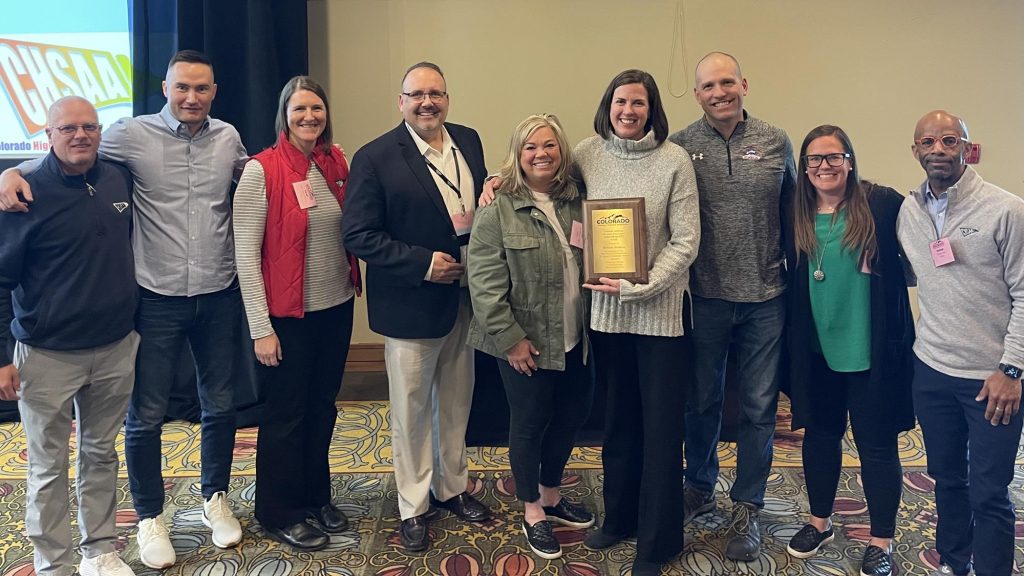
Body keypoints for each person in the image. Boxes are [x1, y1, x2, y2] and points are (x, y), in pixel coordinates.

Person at [0, 49, 248, 569]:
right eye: (182, 87)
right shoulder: (129, 135)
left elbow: (254, 182)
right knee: (145, 417)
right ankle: (149, 517)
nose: (191, 97)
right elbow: (62, 157)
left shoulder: (228, 139)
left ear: (214, 92)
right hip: (153, 300)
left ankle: (213, 498)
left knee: (219, 405)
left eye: (202, 88)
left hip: (215, 293)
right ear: (165, 88)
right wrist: (8, 174)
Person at [341, 61, 491, 553]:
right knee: (410, 409)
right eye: (417, 94)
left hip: (465, 300)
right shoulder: (375, 156)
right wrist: (425, 264)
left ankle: (451, 488)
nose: (428, 102)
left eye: (436, 93)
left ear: (447, 98)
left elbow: (473, 213)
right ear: (400, 101)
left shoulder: (468, 140)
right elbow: (359, 235)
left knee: (456, 401)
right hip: (410, 304)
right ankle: (413, 504)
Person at [0, 97, 138, 576]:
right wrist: (2, 357)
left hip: (117, 346)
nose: (80, 135)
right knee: (46, 468)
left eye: (90, 127)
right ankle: (53, 564)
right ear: (48, 134)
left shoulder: (119, 177)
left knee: (101, 453)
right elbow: (0, 282)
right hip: (46, 354)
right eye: (68, 128)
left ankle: (100, 549)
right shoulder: (22, 193)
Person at [667, 51, 796, 562]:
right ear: (697, 94)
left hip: (766, 297)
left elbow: (801, 203)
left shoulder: (775, 139)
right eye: (707, 86)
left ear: (743, 83)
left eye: (726, 82)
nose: (718, 92)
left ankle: (748, 507)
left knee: (760, 409)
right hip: (705, 297)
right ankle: (698, 487)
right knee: (701, 401)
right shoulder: (680, 145)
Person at [575, 70, 700, 576]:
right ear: (608, 105)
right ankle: (619, 519)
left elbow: (687, 240)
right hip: (608, 319)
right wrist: (497, 179)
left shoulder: (675, 160)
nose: (629, 111)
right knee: (619, 427)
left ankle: (658, 540)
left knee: (662, 433)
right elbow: (537, 169)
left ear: (652, 110)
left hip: (662, 319)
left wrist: (641, 288)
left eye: (639, 104)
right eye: (621, 102)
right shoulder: (587, 153)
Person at [233, 76, 361, 551]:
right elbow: (245, 254)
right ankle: (279, 510)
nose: (310, 117)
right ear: (284, 115)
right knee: (286, 415)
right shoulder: (260, 170)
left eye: (317, 109)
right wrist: (261, 329)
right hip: (286, 317)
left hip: (335, 309)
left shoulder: (334, 163)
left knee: (321, 408)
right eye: (300, 109)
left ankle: (314, 496)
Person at [781, 125, 914, 576]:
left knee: (876, 446)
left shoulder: (882, 204)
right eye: (814, 160)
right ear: (803, 168)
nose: (823, 166)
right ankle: (819, 521)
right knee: (820, 437)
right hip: (817, 352)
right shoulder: (795, 213)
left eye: (833, 157)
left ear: (850, 160)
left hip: (872, 352)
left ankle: (881, 539)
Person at [897, 110, 1024, 576]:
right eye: (927, 141)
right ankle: (954, 561)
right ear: (915, 151)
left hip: (993, 379)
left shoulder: (1007, 209)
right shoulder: (910, 211)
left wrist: (1012, 370)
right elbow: (914, 272)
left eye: (949, 140)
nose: (937, 149)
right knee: (948, 479)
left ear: (967, 148)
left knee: (989, 490)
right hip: (931, 372)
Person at [467, 114, 594, 561]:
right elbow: (482, 281)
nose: (541, 154)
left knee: (569, 417)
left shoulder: (577, 200)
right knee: (530, 422)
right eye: (530, 148)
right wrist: (510, 338)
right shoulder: (497, 207)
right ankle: (532, 509)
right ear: (517, 155)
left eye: (550, 146)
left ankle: (552, 494)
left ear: (563, 152)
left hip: (577, 337)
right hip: (525, 340)